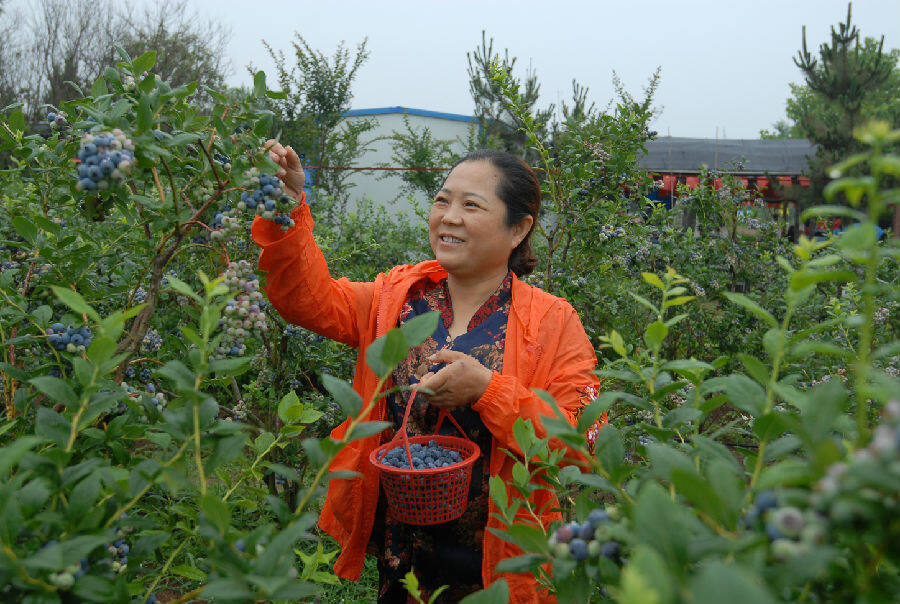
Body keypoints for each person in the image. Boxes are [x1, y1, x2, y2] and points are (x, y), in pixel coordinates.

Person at [252, 143, 603, 604]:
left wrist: (488, 390)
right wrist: (289, 205)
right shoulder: (396, 297)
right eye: (442, 200)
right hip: (403, 555)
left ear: (518, 228)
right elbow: (306, 299)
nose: (449, 217)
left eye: (471, 205)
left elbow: (579, 441)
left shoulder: (552, 322)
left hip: (498, 563)